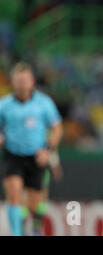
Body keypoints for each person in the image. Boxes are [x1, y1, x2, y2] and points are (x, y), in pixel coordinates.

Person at [0, 62, 63, 236]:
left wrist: (48, 150)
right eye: (18, 80)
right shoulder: (4, 105)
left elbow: (57, 128)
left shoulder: (44, 103)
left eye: (25, 80)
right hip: (13, 155)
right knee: (13, 194)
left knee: (34, 204)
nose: (22, 84)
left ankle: (35, 225)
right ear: (12, 82)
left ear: (32, 82)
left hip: (37, 156)